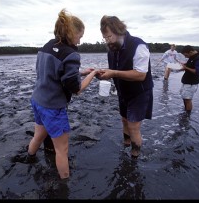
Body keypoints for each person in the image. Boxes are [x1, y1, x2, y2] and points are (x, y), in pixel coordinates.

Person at [27, 9, 98, 179]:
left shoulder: (46, 46)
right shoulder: (71, 54)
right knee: (62, 149)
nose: (80, 41)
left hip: (37, 101)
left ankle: (29, 158)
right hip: (53, 107)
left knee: (38, 135)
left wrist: (80, 72)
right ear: (71, 33)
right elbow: (77, 89)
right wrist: (92, 74)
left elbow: (54, 73)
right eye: (80, 36)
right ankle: (64, 184)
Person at [97, 15, 154, 158]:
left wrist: (114, 73)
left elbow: (141, 75)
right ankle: (126, 144)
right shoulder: (112, 49)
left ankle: (135, 156)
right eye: (105, 38)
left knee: (134, 126)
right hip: (123, 91)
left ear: (119, 31)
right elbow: (116, 69)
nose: (107, 41)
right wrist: (104, 72)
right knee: (124, 119)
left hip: (139, 92)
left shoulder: (138, 46)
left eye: (109, 37)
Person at [179, 45, 199, 114]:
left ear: (191, 52)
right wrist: (185, 64)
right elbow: (191, 64)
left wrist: (186, 68)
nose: (185, 57)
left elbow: (198, 72)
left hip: (191, 83)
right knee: (185, 97)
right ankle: (186, 112)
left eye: (186, 55)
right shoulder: (193, 56)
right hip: (187, 81)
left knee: (188, 99)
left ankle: (187, 116)